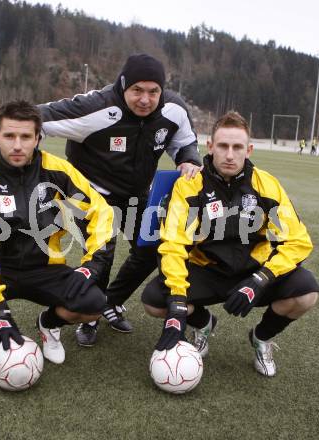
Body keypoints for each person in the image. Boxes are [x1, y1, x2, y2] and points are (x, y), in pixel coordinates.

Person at [0, 100, 115, 365]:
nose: (17, 145)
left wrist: (92, 265)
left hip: (45, 267)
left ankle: (48, 324)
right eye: (9, 136)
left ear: (37, 138)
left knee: (93, 305)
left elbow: (100, 212)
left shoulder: (58, 171)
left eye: (26, 136)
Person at [38, 53, 201, 347]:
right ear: (123, 85)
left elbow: (185, 141)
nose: (145, 99)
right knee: (103, 254)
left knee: (151, 248)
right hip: (92, 194)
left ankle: (108, 303)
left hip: (137, 194)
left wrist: (188, 159)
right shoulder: (95, 107)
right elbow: (36, 117)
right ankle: (89, 318)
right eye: (137, 90)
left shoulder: (174, 109)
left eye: (153, 91)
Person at [142, 111, 319, 377]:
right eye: (223, 146)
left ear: (248, 150)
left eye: (237, 147)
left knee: (306, 292)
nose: (229, 155)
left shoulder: (266, 185)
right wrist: (178, 300)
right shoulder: (191, 185)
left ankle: (261, 337)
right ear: (210, 146)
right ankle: (203, 324)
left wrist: (261, 278)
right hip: (207, 270)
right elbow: (173, 244)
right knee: (155, 301)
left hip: (253, 271)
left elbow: (298, 241)